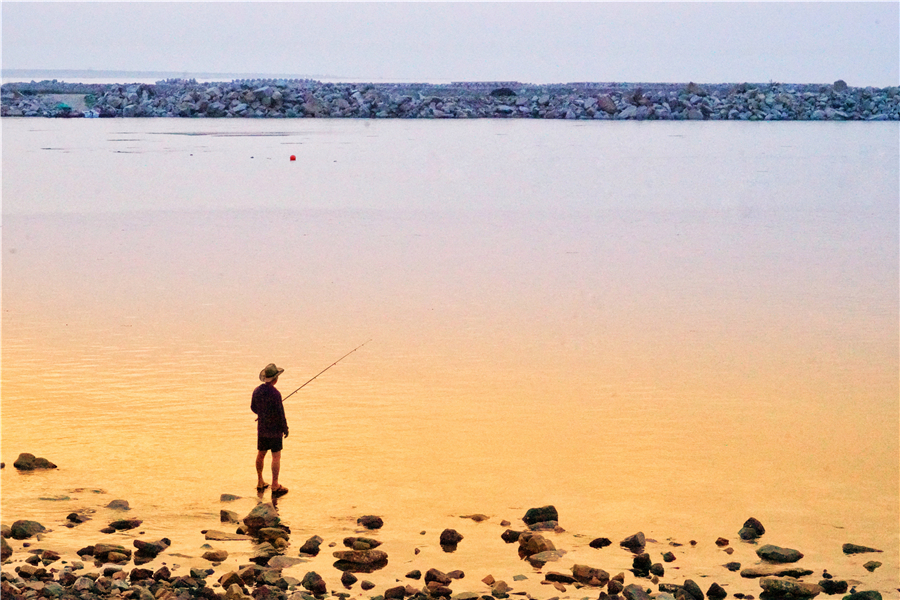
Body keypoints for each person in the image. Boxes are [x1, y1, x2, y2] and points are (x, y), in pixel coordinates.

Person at [252, 363, 289, 496]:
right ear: (275, 379)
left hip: (262, 429)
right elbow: (280, 414)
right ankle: (275, 484)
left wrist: (262, 414)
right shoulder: (276, 394)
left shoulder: (256, 391)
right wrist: (285, 428)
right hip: (275, 431)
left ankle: (260, 481)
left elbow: (253, 408)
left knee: (261, 454)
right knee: (276, 456)